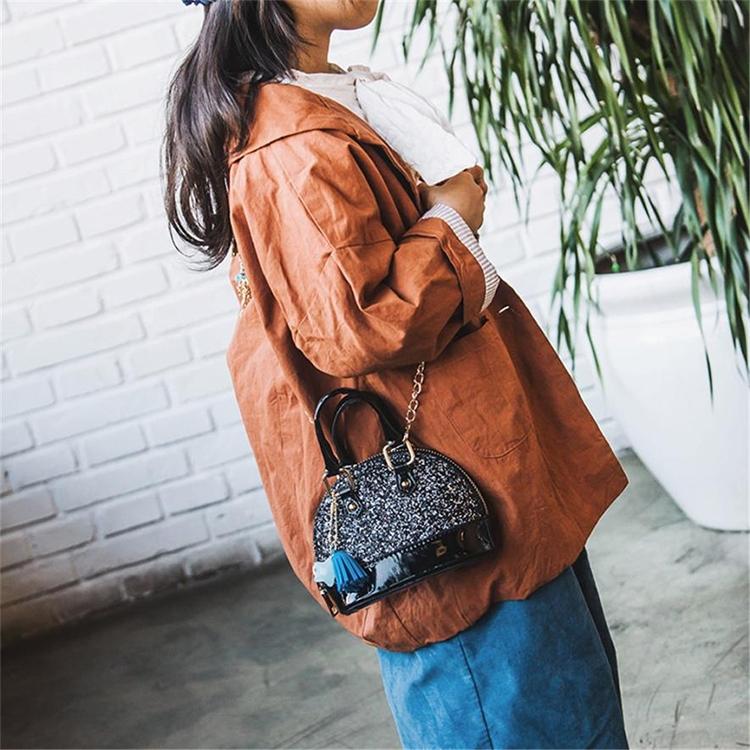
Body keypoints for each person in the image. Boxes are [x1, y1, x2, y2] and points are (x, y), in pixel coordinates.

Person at [163, 1, 630, 747]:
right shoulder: (291, 148)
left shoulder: (320, 98)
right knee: (522, 712)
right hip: (449, 510)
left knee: (567, 707)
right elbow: (364, 321)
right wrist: (452, 216)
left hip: (474, 476)